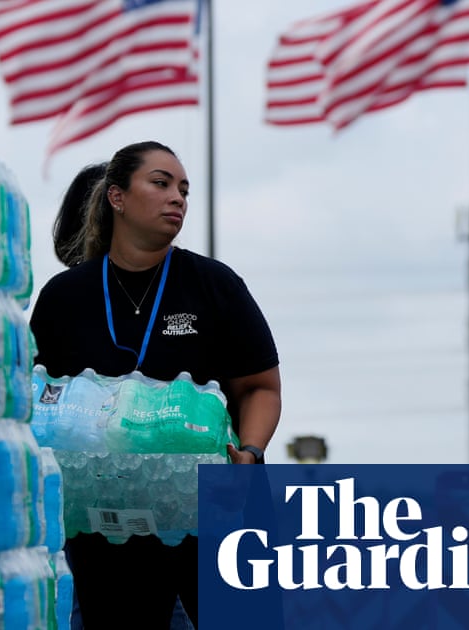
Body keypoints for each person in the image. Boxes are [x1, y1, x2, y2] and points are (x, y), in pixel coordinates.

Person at [29, 141, 281, 629]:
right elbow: (39, 401)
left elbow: (260, 387)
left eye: (184, 189)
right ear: (117, 198)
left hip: (211, 515)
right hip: (106, 527)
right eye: (162, 184)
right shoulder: (65, 296)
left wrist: (248, 452)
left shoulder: (213, 284)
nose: (178, 198)